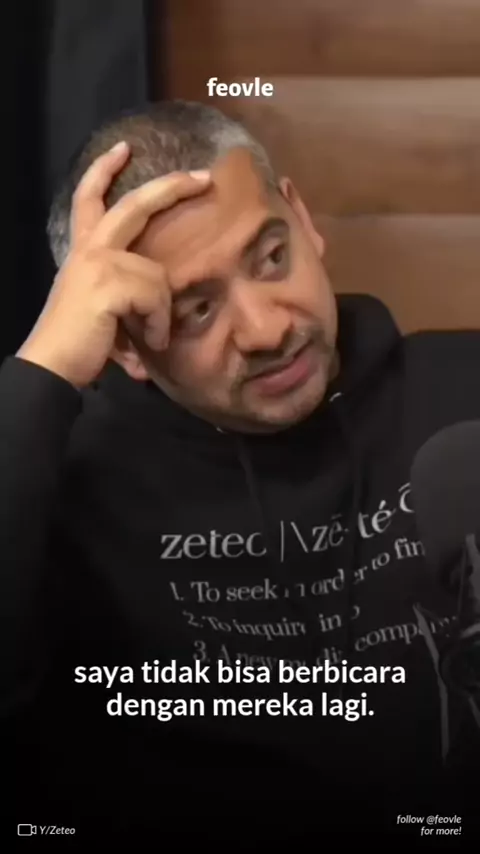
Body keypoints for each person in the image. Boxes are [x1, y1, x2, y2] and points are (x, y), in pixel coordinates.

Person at [3, 100, 480, 843]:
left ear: (302, 219)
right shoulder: (60, 481)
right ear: (125, 342)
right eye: (197, 310)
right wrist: (44, 369)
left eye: (271, 258)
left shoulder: (464, 396)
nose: (268, 329)